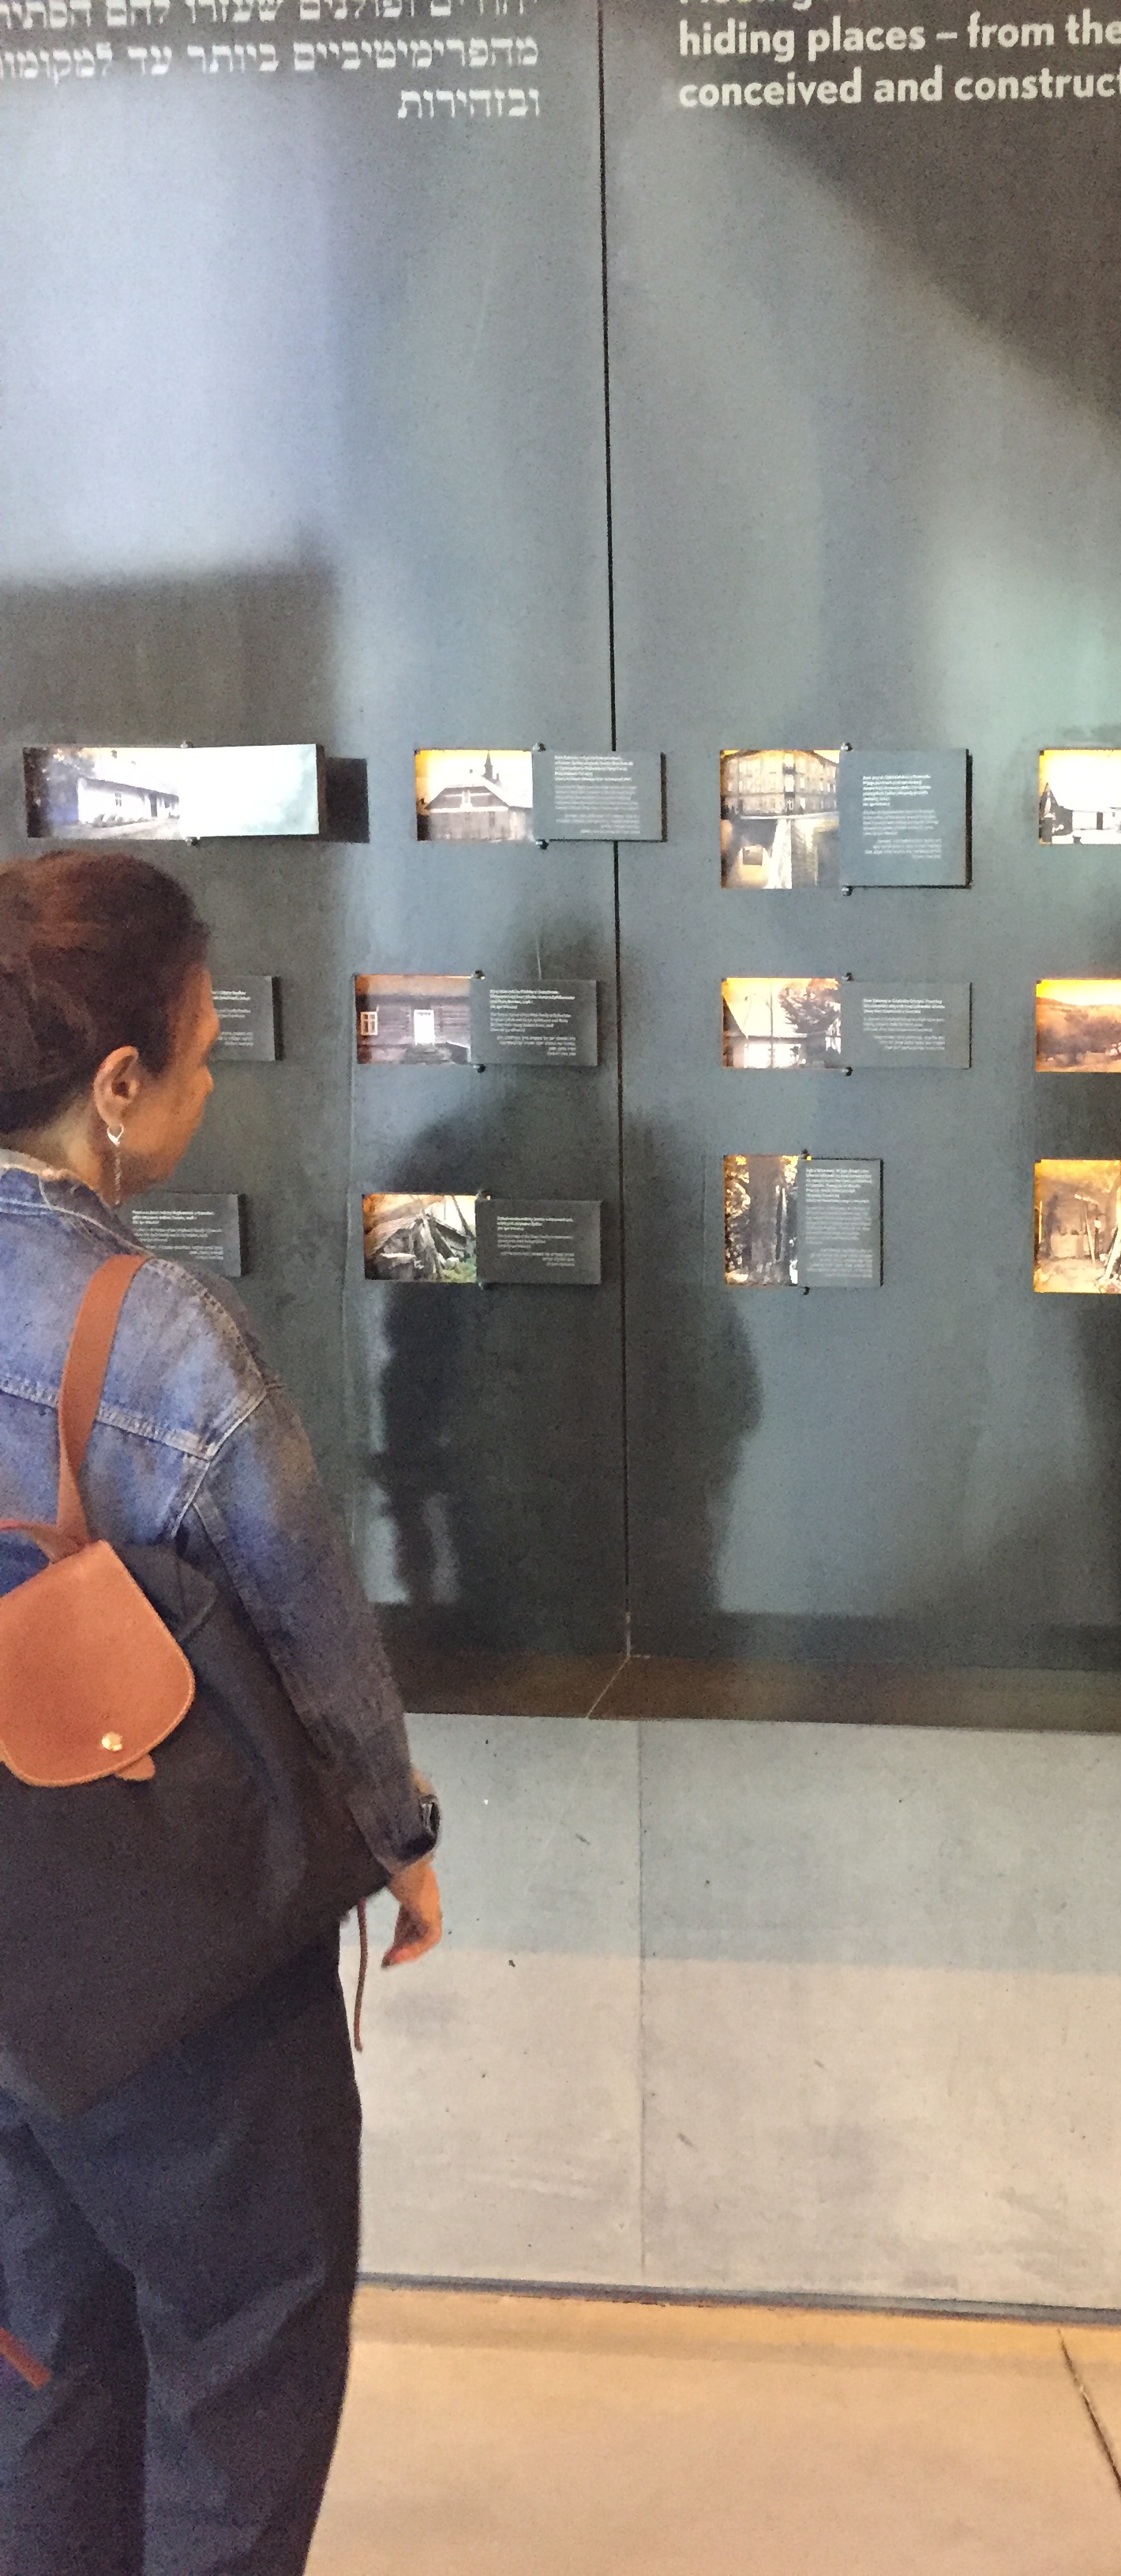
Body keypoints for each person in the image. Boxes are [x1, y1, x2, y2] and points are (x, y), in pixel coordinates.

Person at [0, 848, 443, 2575]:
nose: (207, 1085)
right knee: (245, 2338)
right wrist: (397, 1837)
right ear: (117, 1087)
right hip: (162, 1952)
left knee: (37, 2355)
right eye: (198, 1053)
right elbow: (305, 1619)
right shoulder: (156, 1331)